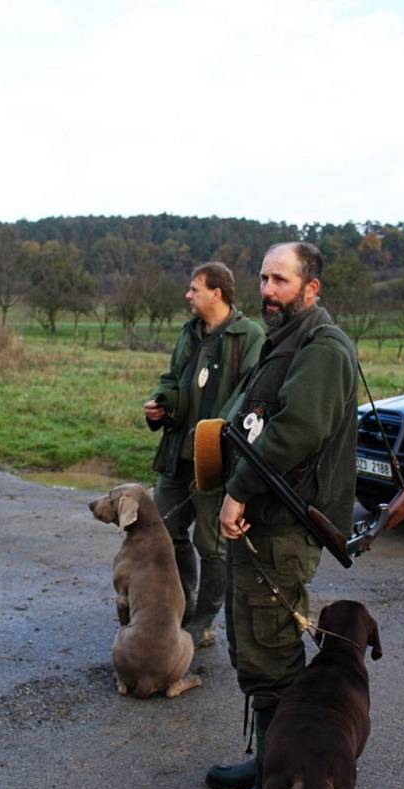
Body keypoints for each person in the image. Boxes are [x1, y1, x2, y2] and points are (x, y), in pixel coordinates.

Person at [205, 243, 359, 789]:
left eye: (281, 281)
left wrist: (238, 491)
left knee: (273, 653)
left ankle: (285, 778)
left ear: (311, 288)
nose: (267, 291)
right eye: (264, 278)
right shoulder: (284, 341)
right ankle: (265, 762)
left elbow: (295, 431)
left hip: (281, 529)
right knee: (253, 647)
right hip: (261, 527)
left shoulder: (322, 348)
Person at [143, 262, 263, 647]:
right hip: (178, 452)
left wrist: (214, 433)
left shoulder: (250, 336)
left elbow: (250, 393)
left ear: (217, 293)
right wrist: (162, 403)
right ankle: (182, 603)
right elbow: (173, 378)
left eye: (194, 289)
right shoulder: (190, 331)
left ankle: (205, 621)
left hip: (216, 459)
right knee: (164, 528)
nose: (187, 295)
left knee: (211, 545)